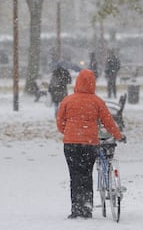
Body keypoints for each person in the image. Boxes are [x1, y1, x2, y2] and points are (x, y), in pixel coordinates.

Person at [56, 69, 125, 219]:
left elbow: (60, 122)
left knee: (75, 176)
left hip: (71, 144)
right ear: (93, 83)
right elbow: (109, 122)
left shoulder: (68, 100)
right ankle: (86, 208)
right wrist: (118, 136)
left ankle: (76, 209)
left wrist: (68, 132)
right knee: (86, 174)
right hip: (89, 143)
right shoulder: (97, 101)